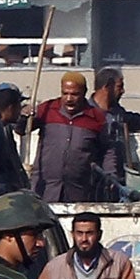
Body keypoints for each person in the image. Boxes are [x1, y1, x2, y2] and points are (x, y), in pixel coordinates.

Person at [31, 71, 119, 202]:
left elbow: (108, 149)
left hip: (80, 190)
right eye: (65, 93)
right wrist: (25, 116)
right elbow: (21, 130)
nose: (69, 99)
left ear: (84, 93)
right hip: (46, 188)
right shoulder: (47, 110)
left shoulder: (96, 118)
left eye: (74, 94)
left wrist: (111, 175)